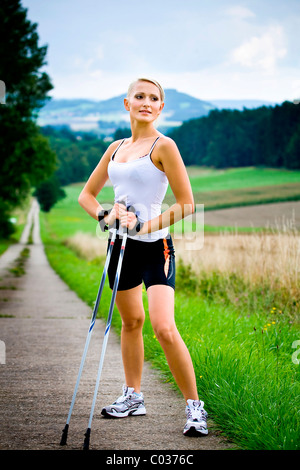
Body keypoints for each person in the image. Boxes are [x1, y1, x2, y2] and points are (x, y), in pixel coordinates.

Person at [78, 77, 208, 436]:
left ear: (161, 108)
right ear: (127, 103)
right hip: (120, 247)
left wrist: (144, 224)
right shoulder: (116, 148)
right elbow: (87, 196)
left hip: (156, 247)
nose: (146, 102)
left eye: (154, 98)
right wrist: (107, 216)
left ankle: (195, 408)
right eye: (140, 96)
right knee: (131, 322)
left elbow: (187, 204)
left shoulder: (165, 146)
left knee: (163, 327)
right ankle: (133, 397)